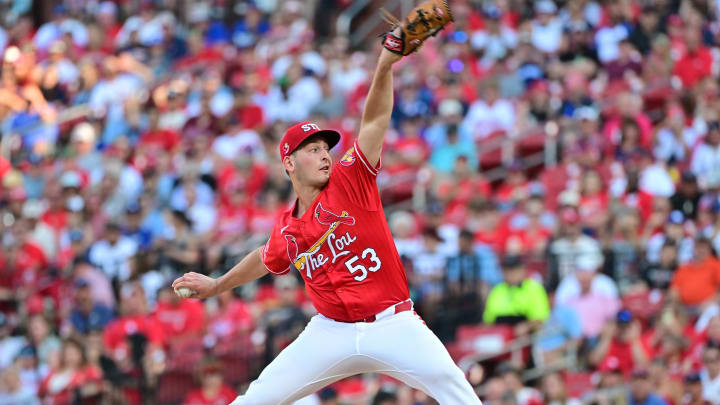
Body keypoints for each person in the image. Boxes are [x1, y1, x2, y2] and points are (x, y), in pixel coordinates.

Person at [173, 35, 481, 404]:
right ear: (289, 163)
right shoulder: (288, 226)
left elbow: (376, 119)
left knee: (456, 389)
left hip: (393, 323)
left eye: (325, 149)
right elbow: (265, 257)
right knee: (255, 399)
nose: (325, 155)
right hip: (330, 333)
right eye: (313, 149)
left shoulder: (351, 179)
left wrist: (384, 66)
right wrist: (218, 285)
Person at [483, 255, 550, 337]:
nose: (510, 274)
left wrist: (527, 326)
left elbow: (540, 319)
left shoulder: (534, 288)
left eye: (513, 270)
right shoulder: (497, 290)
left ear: (522, 270)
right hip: (500, 335)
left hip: (526, 338)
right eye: (506, 271)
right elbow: (488, 321)